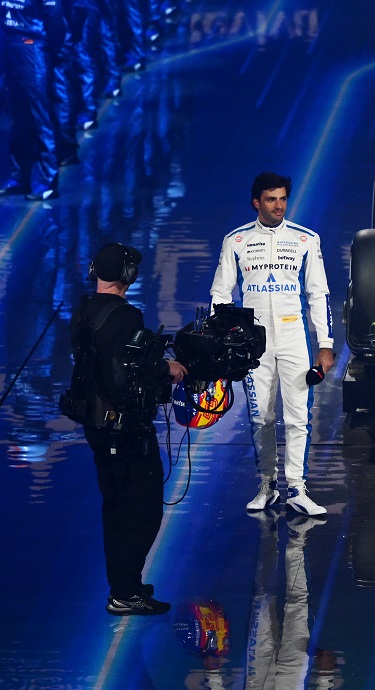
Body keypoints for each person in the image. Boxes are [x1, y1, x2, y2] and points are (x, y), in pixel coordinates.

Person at [68, 242, 187, 615]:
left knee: (115, 505)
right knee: (143, 510)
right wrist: (167, 369)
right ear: (128, 276)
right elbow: (127, 374)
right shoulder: (126, 317)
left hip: (95, 425)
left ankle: (125, 583)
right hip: (125, 429)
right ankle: (125, 592)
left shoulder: (83, 310)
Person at [211, 172, 334, 516]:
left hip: (295, 338)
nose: (278, 206)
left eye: (282, 199)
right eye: (271, 199)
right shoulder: (235, 241)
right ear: (256, 202)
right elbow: (221, 294)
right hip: (254, 344)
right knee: (261, 417)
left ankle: (297, 487)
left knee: (298, 418)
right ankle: (267, 485)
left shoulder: (306, 239)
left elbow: (318, 294)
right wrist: (223, 342)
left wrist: (325, 345)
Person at [0, 0, 67, 201]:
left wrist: (50, 48)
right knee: (17, 118)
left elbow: (56, 20)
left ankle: (48, 180)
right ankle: (19, 176)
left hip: (33, 48)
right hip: (10, 47)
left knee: (40, 117)